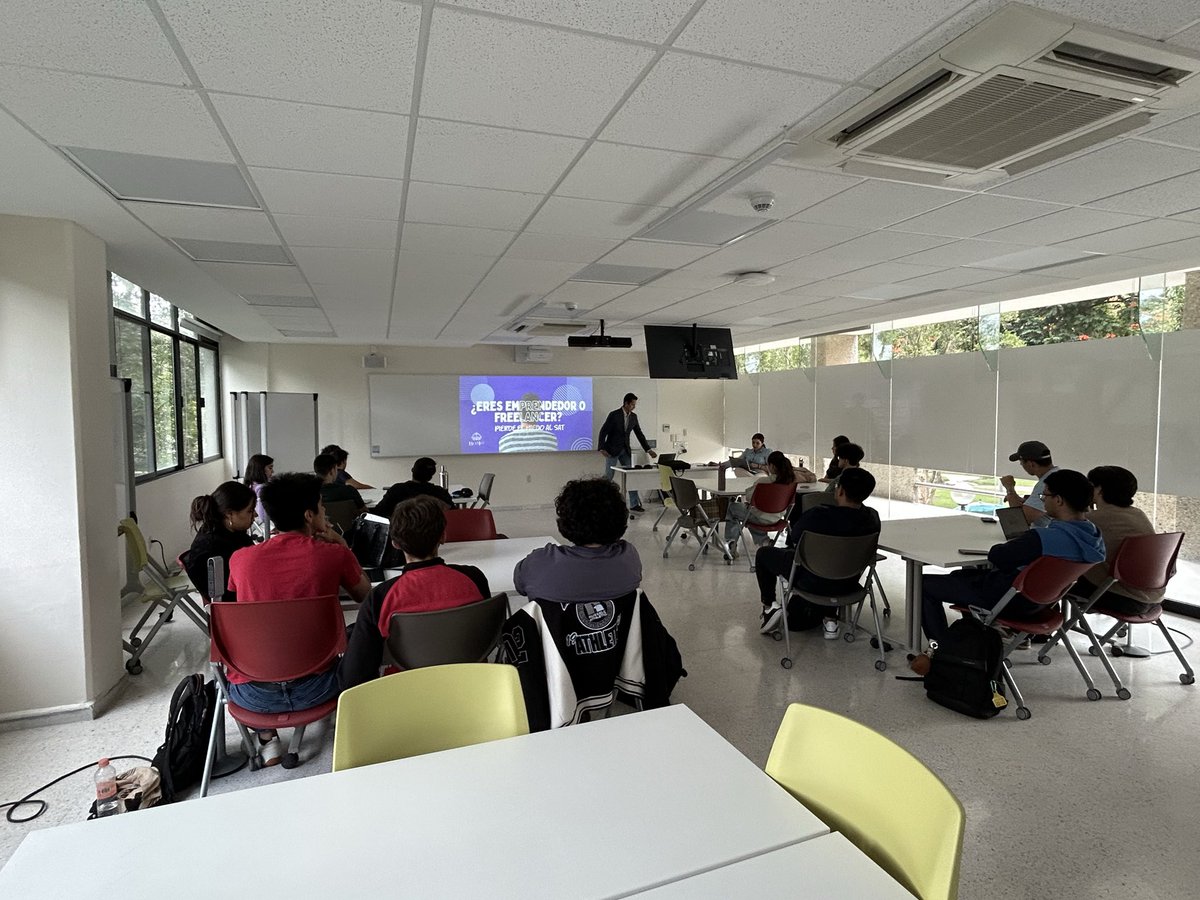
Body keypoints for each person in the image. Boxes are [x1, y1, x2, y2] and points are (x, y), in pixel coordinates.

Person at [225, 472, 371, 763]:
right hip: (320, 689)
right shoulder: (332, 555)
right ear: (309, 515)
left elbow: (240, 603)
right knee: (363, 631)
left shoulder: (240, 559)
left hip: (252, 695)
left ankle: (267, 739)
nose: (325, 512)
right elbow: (367, 598)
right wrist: (341, 544)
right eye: (322, 507)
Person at [920, 468, 1105, 646]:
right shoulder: (1094, 537)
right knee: (960, 577)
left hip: (1009, 600)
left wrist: (1019, 542)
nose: (1043, 501)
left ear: (1058, 500)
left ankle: (941, 649)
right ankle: (975, 639)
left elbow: (999, 556)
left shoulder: (1043, 538)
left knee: (922, 585)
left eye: (1045, 496)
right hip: (1042, 603)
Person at [340, 496, 490, 689]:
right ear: (443, 536)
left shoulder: (381, 596)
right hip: (471, 682)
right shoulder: (474, 578)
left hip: (407, 690)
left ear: (395, 543)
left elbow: (353, 676)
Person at [755, 467, 881, 640]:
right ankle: (830, 618)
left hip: (810, 580)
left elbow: (794, 538)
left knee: (764, 554)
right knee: (836, 561)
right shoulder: (873, 518)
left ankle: (769, 606)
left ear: (841, 490)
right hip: (848, 585)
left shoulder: (818, 515)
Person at [514, 478, 642, 602]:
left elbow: (520, 585)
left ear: (565, 521)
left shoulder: (539, 562)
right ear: (620, 518)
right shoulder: (629, 557)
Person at [1073, 465, 1164, 616]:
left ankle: (1040, 631)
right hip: (1152, 596)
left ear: (1099, 489)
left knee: (1053, 582)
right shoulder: (1138, 514)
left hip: (1123, 598)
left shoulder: (1092, 520)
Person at [181, 481, 257, 601]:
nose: (256, 515)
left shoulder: (227, 532)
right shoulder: (213, 547)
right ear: (229, 514)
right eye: (250, 511)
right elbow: (233, 594)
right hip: (236, 610)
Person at [724, 451, 798, 551]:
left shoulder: (764, 482)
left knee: (732, 507)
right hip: (778, 518)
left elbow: (750, 497)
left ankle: (732, 541)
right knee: (750, 515)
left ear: (772, 466)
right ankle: (764, 541)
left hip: (759, 518)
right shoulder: (790, 483)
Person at [597, 392, 657, 512]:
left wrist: (648, 449)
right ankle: (600, 501)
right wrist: (601, 448)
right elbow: (603, 431)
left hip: (625, 450)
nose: (634, 407)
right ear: (626, 403)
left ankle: (634, 504)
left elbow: (639, 434)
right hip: (612, 450)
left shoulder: (633, 417)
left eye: (635, 405)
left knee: (632, 475)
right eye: (632, 404)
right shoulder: (614, 415)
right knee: (609, 475)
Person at [372, 456, 455, 520]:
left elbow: (378, 513)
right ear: (432, 474)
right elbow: (454, 514)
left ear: (412, 470)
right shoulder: (440, 493)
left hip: (402, 535)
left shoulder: (397, 490)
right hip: (432, 536)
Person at [1001, 440, 1058, 527]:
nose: (1021, 465)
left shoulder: (1046, 483)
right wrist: (1021, 500)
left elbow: (1020, 520)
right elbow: (1037, 509)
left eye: (1021, 462)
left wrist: (1009, 488)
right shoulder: (1058, 475)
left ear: (1031, 464)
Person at [242, 453, 274, 524]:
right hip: (264, 526)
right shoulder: (262, 489)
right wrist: (270, 527)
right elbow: (262, 514)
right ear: (261, 470)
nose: (272, 471)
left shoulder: (250, 485)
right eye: (270, 468)